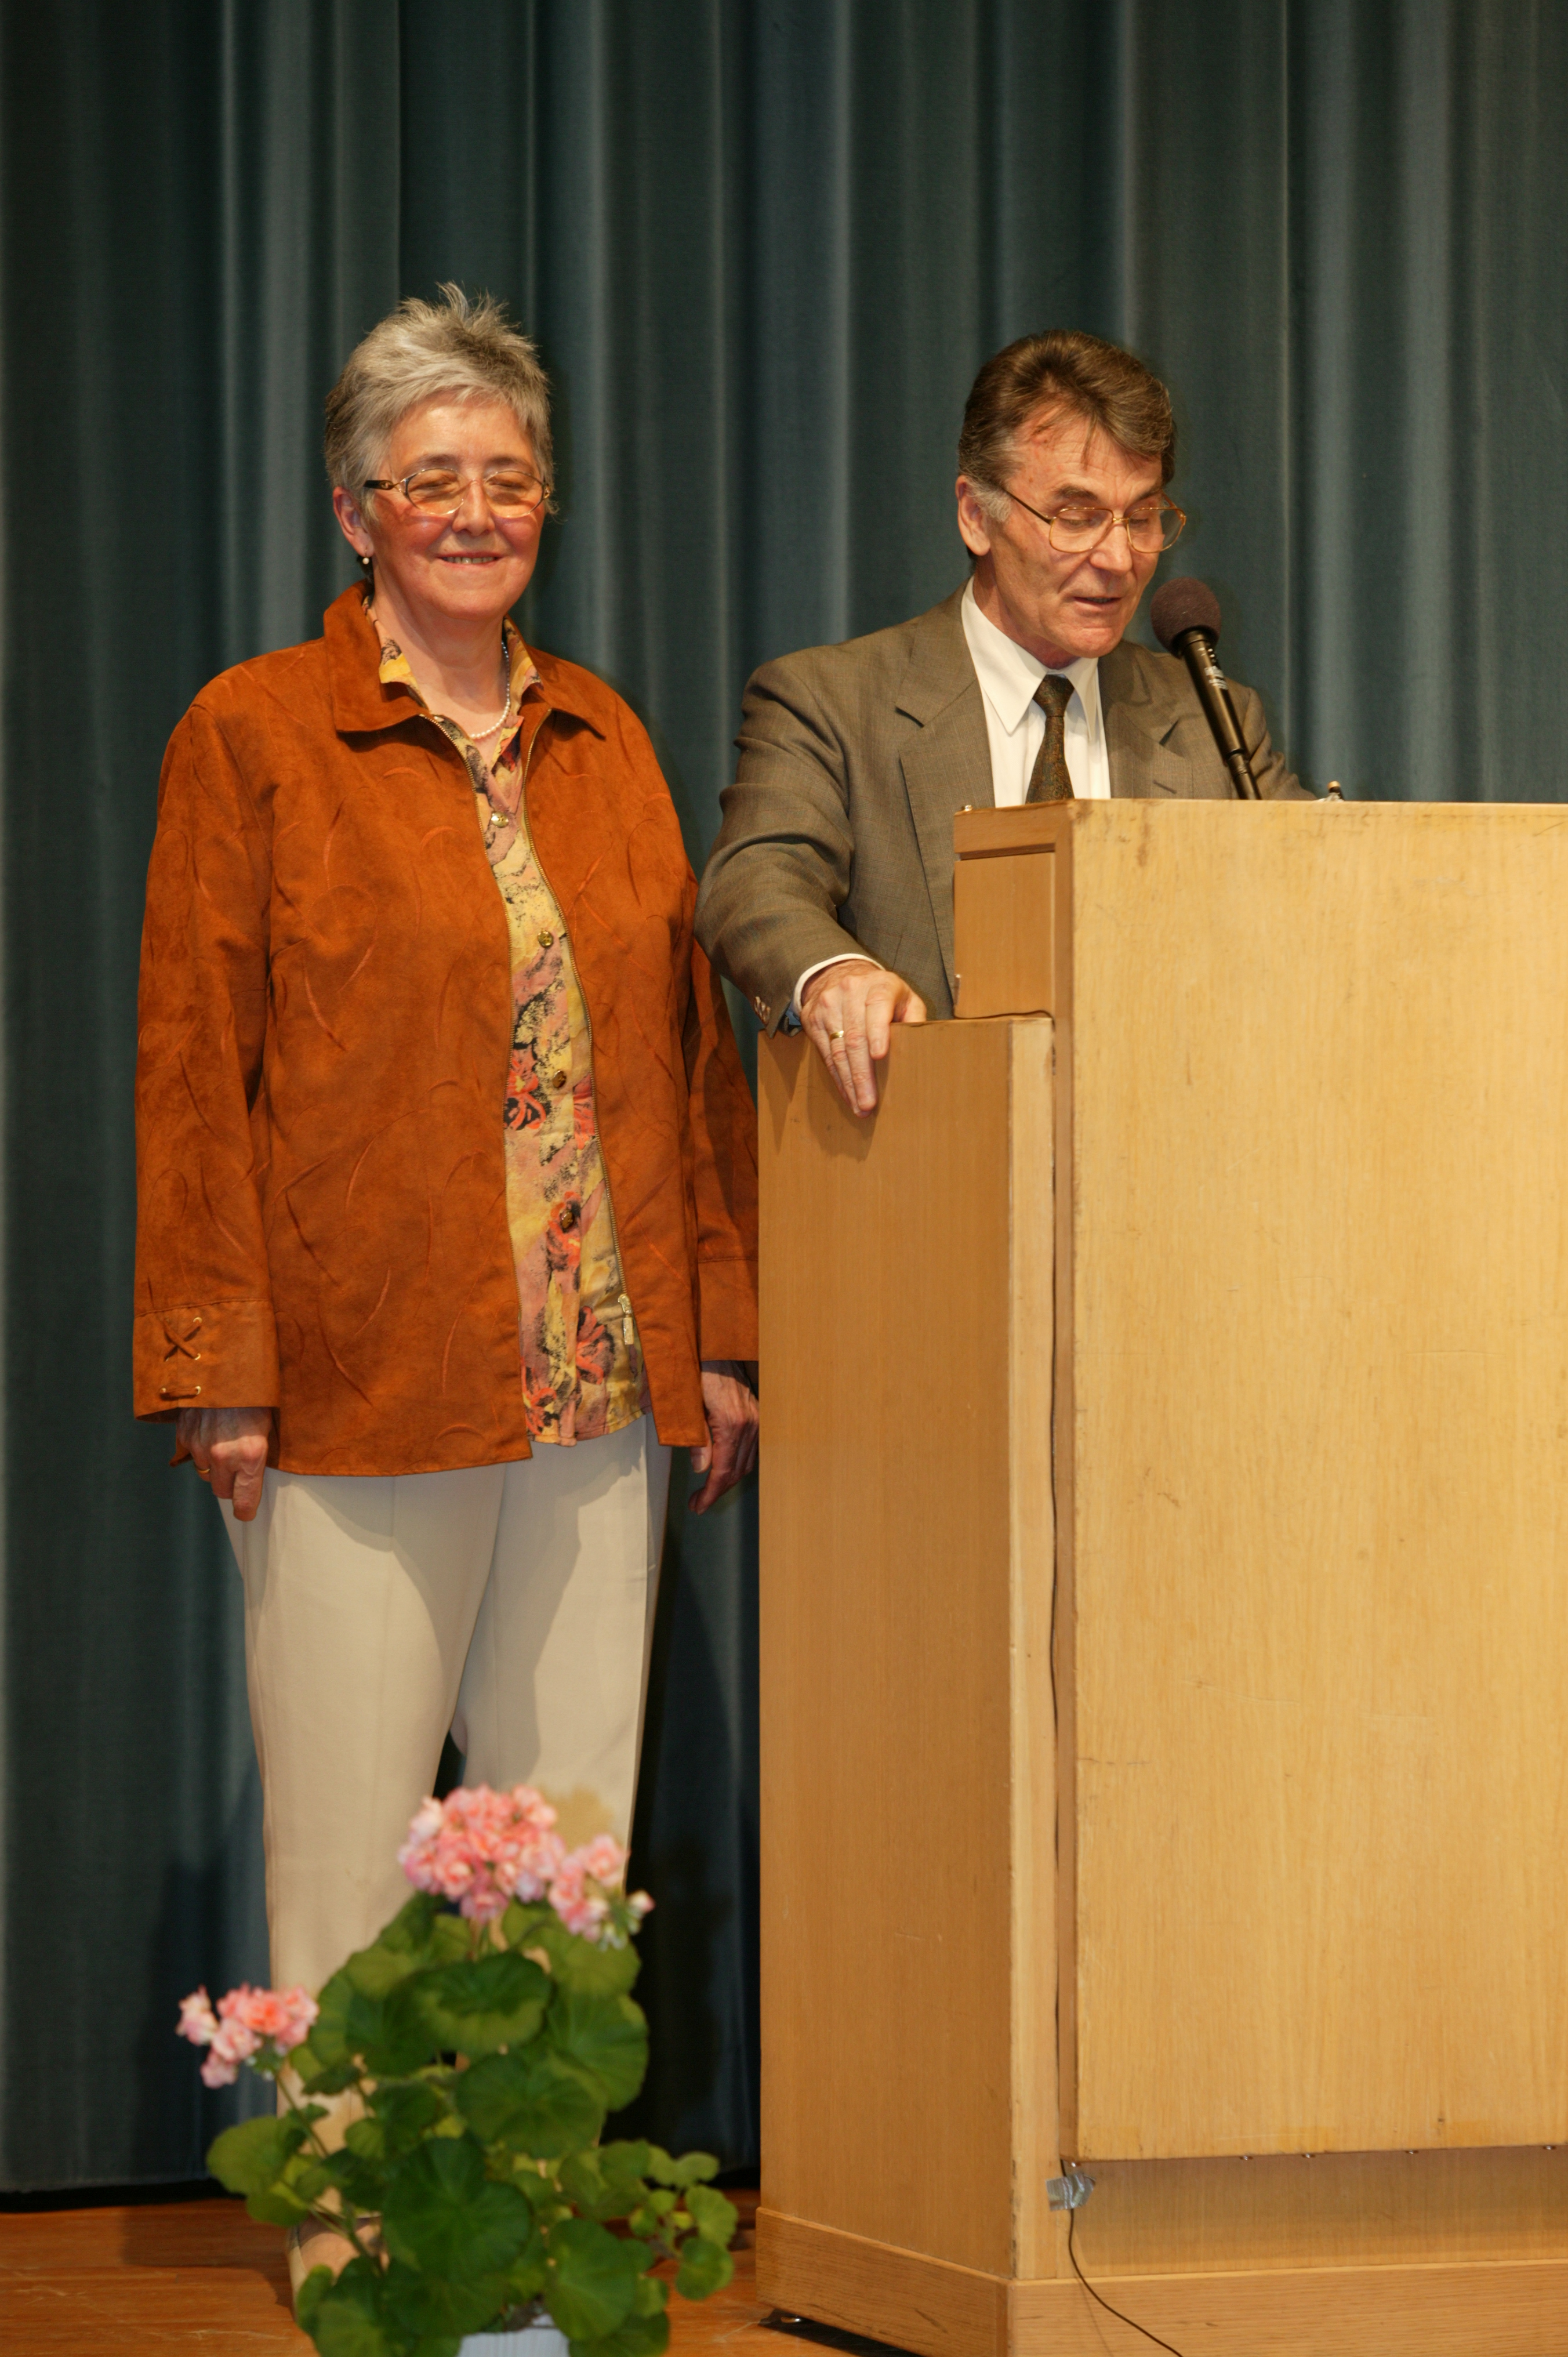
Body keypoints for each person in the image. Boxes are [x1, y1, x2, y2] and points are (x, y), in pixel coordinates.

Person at [135, 289, 759, 2273]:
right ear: (357, 511)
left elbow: (684, 1061)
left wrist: (718, 1337)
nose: (476, 512)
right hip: (358, 1383)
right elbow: (193, 1070)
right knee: (352, 1858)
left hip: (596, 1387)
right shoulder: (254, 731)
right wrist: (217, 1364)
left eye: (507, 477)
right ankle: (357, 2244)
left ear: (546, 503)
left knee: (564, 1857)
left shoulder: (606, 738)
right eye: (432, 481)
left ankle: (527, 2230)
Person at [696, 329, 1308, 1114]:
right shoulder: (831, 703)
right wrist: (833, 974)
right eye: (1077, 515)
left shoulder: (1211, 721)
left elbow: (1323, 895)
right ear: (976, 516)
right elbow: (754, 880)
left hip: (1167, 1151)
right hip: (931, 1150)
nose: (1120, 559)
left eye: (1143, 516)